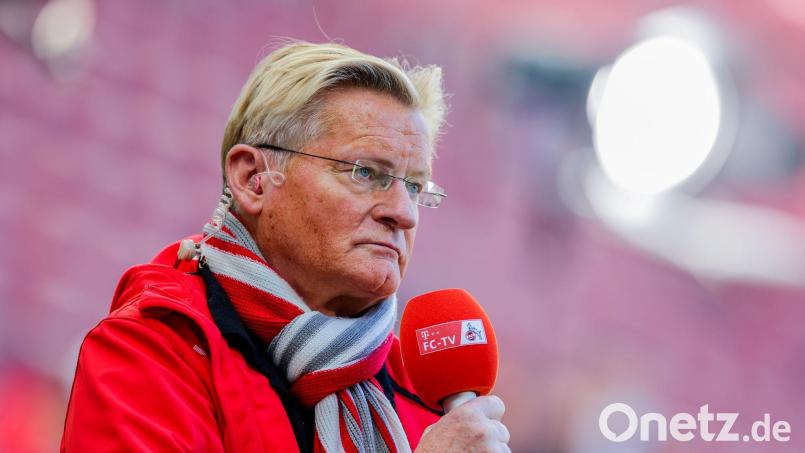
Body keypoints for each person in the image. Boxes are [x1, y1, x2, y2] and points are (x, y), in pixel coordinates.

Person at [61, 41, 510, 452]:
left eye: (413, 186)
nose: (404, 213)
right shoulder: (150, 351)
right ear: (252, 179)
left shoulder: (424, 394)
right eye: (365, 173)